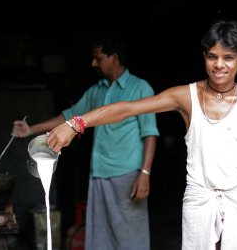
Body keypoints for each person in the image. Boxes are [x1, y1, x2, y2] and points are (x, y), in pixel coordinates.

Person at [46, 19, 237, 250]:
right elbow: (128, 108)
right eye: (212, 56)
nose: (219, 65)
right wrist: (76, 123)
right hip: (199, 199)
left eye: (228, 58)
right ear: (204, 56)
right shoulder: (185, 96)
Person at [12, 30, 160, 250]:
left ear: (114, 57)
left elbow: (149, 134)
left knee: (131, 239)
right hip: (98, 173)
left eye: (98, 58)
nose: (93, 63)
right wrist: (31, 129)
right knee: (101, 239)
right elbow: (69, 116)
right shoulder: (96, 91)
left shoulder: (140, 88)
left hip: (127, 176)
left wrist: (145, 174)